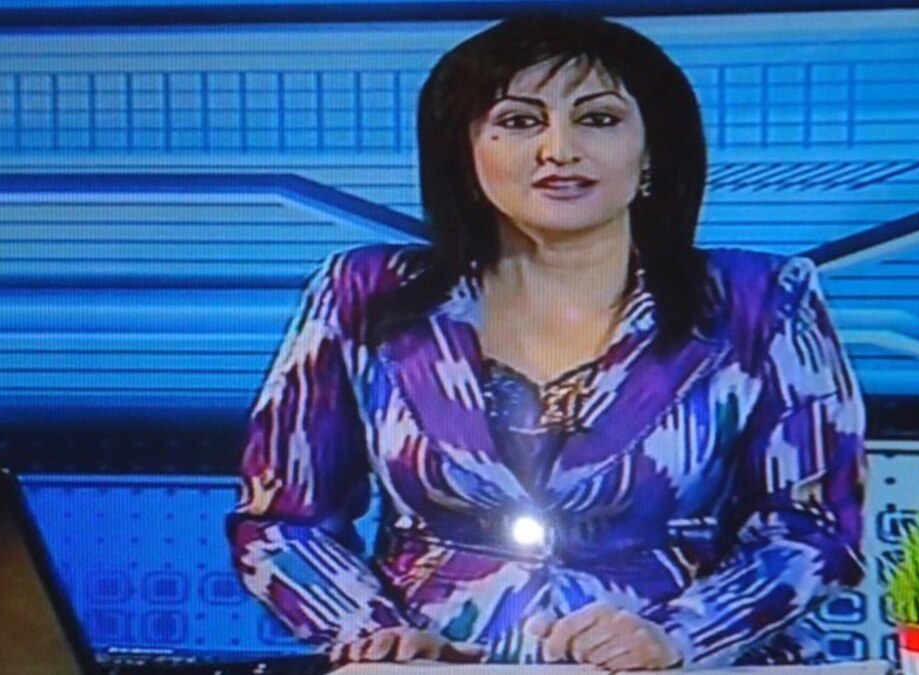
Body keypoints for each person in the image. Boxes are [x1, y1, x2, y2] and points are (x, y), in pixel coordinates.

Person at [227, 13, 867, 671]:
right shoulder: (365, 293)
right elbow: (282, 522)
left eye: (598, 119)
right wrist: (375, 633)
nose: (559, 149)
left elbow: (812, 527)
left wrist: (680, 637)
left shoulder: (760, 299)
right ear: (465, 151)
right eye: (519, 121)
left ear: (652, 151)